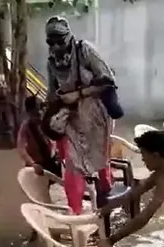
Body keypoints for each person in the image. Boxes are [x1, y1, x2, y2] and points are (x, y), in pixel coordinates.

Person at [43, 16, 114, 215]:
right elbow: (51, 93)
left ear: (69, 37)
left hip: (96, 116)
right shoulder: (51, 63)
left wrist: (80, 93)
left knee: (100, 161)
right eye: (51, 42)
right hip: (73, 119)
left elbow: (108, 80)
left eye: (60, 40)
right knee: (74, 166)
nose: (56, 46)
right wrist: (50, 114)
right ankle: (76, 212)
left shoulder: (85, 51)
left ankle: (106, 200)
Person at [17, 96, 61, 178]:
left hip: (51, 162)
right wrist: (33, 164)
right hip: (37, 167)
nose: (41, 109)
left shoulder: (45, 123)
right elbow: (21, 149)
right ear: (32, 109)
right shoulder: (26, 127)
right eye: (39, 106)